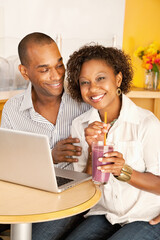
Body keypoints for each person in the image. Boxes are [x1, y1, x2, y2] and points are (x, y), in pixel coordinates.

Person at [0, 32, 90, 240]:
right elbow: (7, 164)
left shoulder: (84, 101)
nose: (57, 75)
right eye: (44, 69)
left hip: (72, 195)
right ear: (24, 72)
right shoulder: (13, 109)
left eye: (59, 64)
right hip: (27, 192)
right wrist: (51, 156)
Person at [65, 45, 160, 240]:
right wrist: (92, 151)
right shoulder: (80, 125)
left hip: (145, 215)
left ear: (118, 79)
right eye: (85, 82)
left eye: (101, 78)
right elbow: (86, 187)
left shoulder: (145, 123)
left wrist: (123, 171)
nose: (93, 88)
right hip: (104, 213)